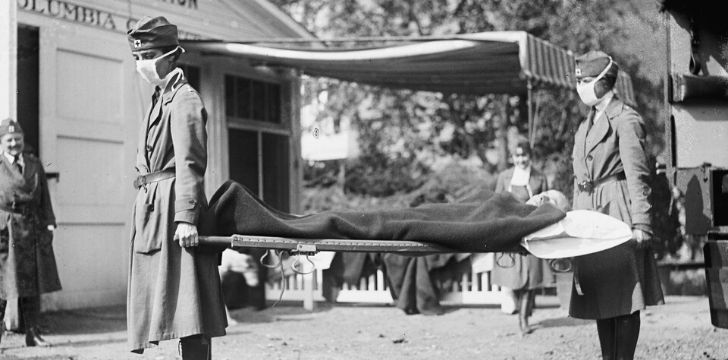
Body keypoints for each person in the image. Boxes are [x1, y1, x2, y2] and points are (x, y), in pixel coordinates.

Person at [126, 16, 226, 358]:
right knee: (171, 306)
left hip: (172, 210)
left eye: (147, 56)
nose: (141, 64)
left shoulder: (183, 99)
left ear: (171, 55)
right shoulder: (160, 98)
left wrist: (187, 217)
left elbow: (190, 162)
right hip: (154, 210)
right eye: (137, 57)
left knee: (189, 308)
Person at [570, 51, 663, 360]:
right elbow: (580, 178)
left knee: (624, 296)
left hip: (618, 211)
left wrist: (641, 224)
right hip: (590, 213)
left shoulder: (625, 118)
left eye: (584, 80)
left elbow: (639, 175)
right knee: (601, 297)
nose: (579, 86)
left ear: (603, 82)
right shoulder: (586, 123)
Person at [0, 118, 62, 347]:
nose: (14, 144)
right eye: (9, 140)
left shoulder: (34, 164)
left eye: (18, 139)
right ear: (1, 142)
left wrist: (49, 222)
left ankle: (32, 334)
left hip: (31, 227)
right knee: (2, 285)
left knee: (31, 283)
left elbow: (44, 197)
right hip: (5, 229)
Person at [491, 140, 553, 336]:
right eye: (517, 156)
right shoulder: (504, 177)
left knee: (531, 278)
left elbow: (546, 203)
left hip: (532, 229)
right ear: (512, 158)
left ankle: (523, 319)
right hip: (510, 231)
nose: (521, 159)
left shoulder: (539, 177)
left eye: (524, 155)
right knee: (514, 276)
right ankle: (521, 309)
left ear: (530, 156)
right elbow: (495, 203)